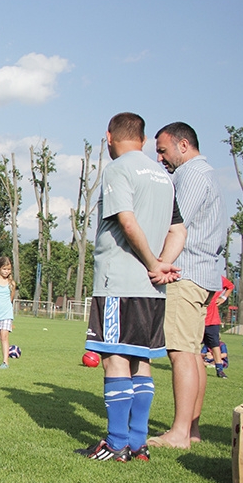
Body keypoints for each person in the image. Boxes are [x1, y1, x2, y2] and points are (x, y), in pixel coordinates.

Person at [80, 112, 184, 462]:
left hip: (119, 281)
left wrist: (154, 263)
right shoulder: (163, 176)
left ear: (109, 137)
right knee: (141, 359)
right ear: (142, 139)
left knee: (115, 358)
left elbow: (125, 219)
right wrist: (162, 265)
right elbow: (178, 230)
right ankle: (139, 444)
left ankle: (116, 442)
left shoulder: (118, 169)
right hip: (152, 289)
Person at [148, 122, 227, 449]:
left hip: (187, 273)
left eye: (163, 150)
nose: (160, 157)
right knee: (193, 352)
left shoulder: (192, 175)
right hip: (203, 274)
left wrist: (158, 265)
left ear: (183, 145)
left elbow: (176, 224)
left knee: (180, 351)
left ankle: (180, 433)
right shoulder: (206, 173)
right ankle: (191, 430)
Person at [202, 276, 234, 378]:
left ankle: (219, 370)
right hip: (196, 319)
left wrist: (223, 298)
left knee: (215, 345)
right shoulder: (196, 276)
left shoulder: (216, 277)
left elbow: (230, 286)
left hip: (212, 320)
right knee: (193, 345)